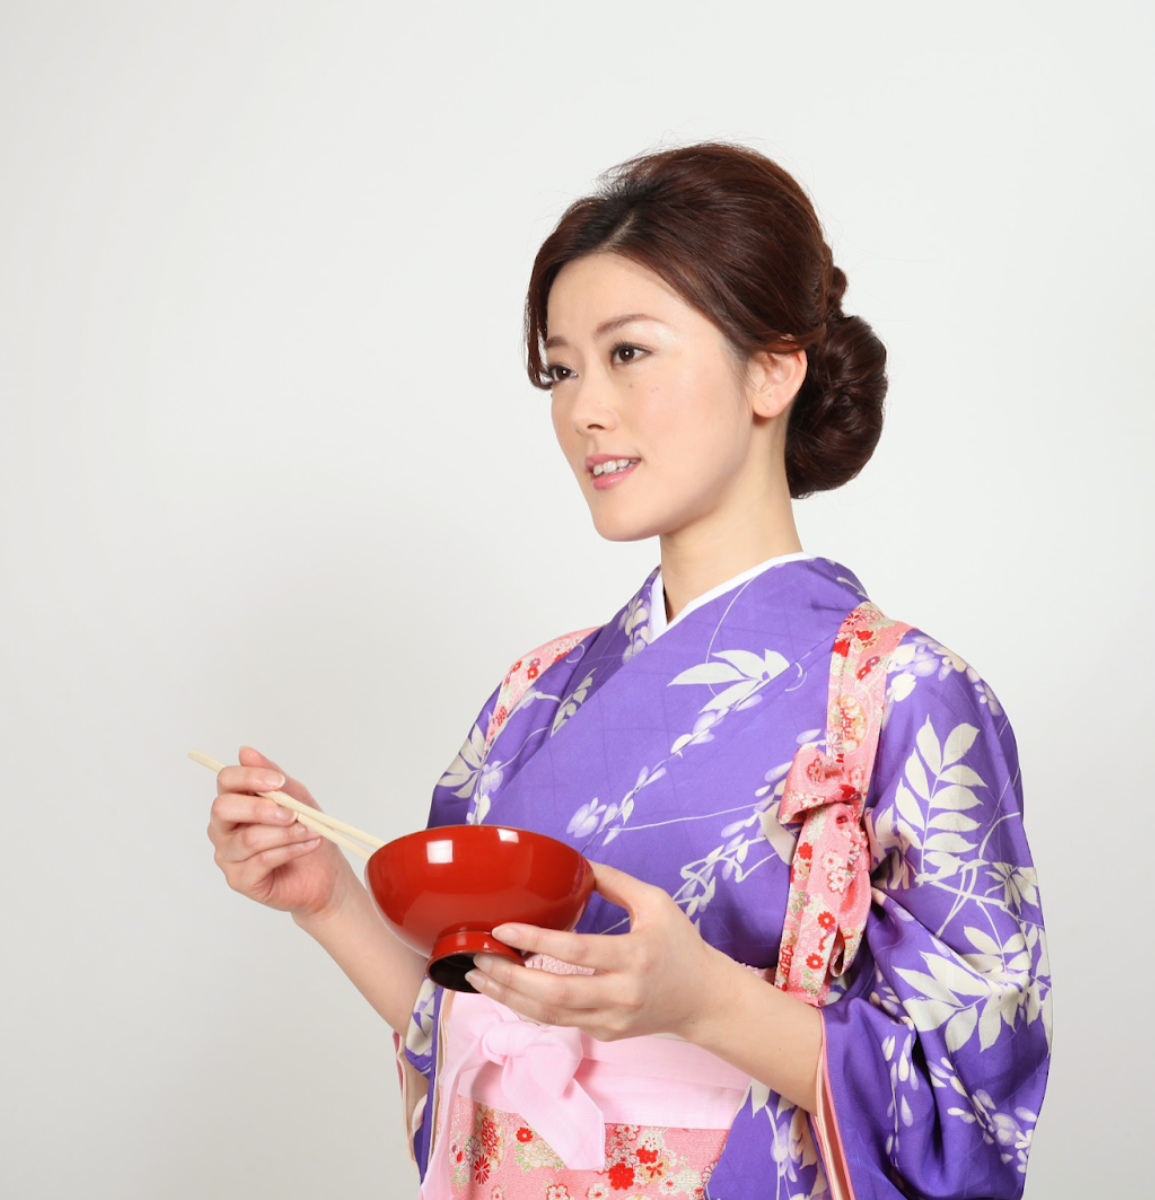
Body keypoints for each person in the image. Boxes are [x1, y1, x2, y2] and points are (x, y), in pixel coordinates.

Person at [205, 141, 1051, 1199]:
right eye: (563, 369)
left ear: (773, 369)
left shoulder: (903, 694)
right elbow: (471, 1032)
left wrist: (707, 1003)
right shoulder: (533, 693)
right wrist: (327, 899)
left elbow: (967, 1113)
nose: (583, 409)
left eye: (630, 352)